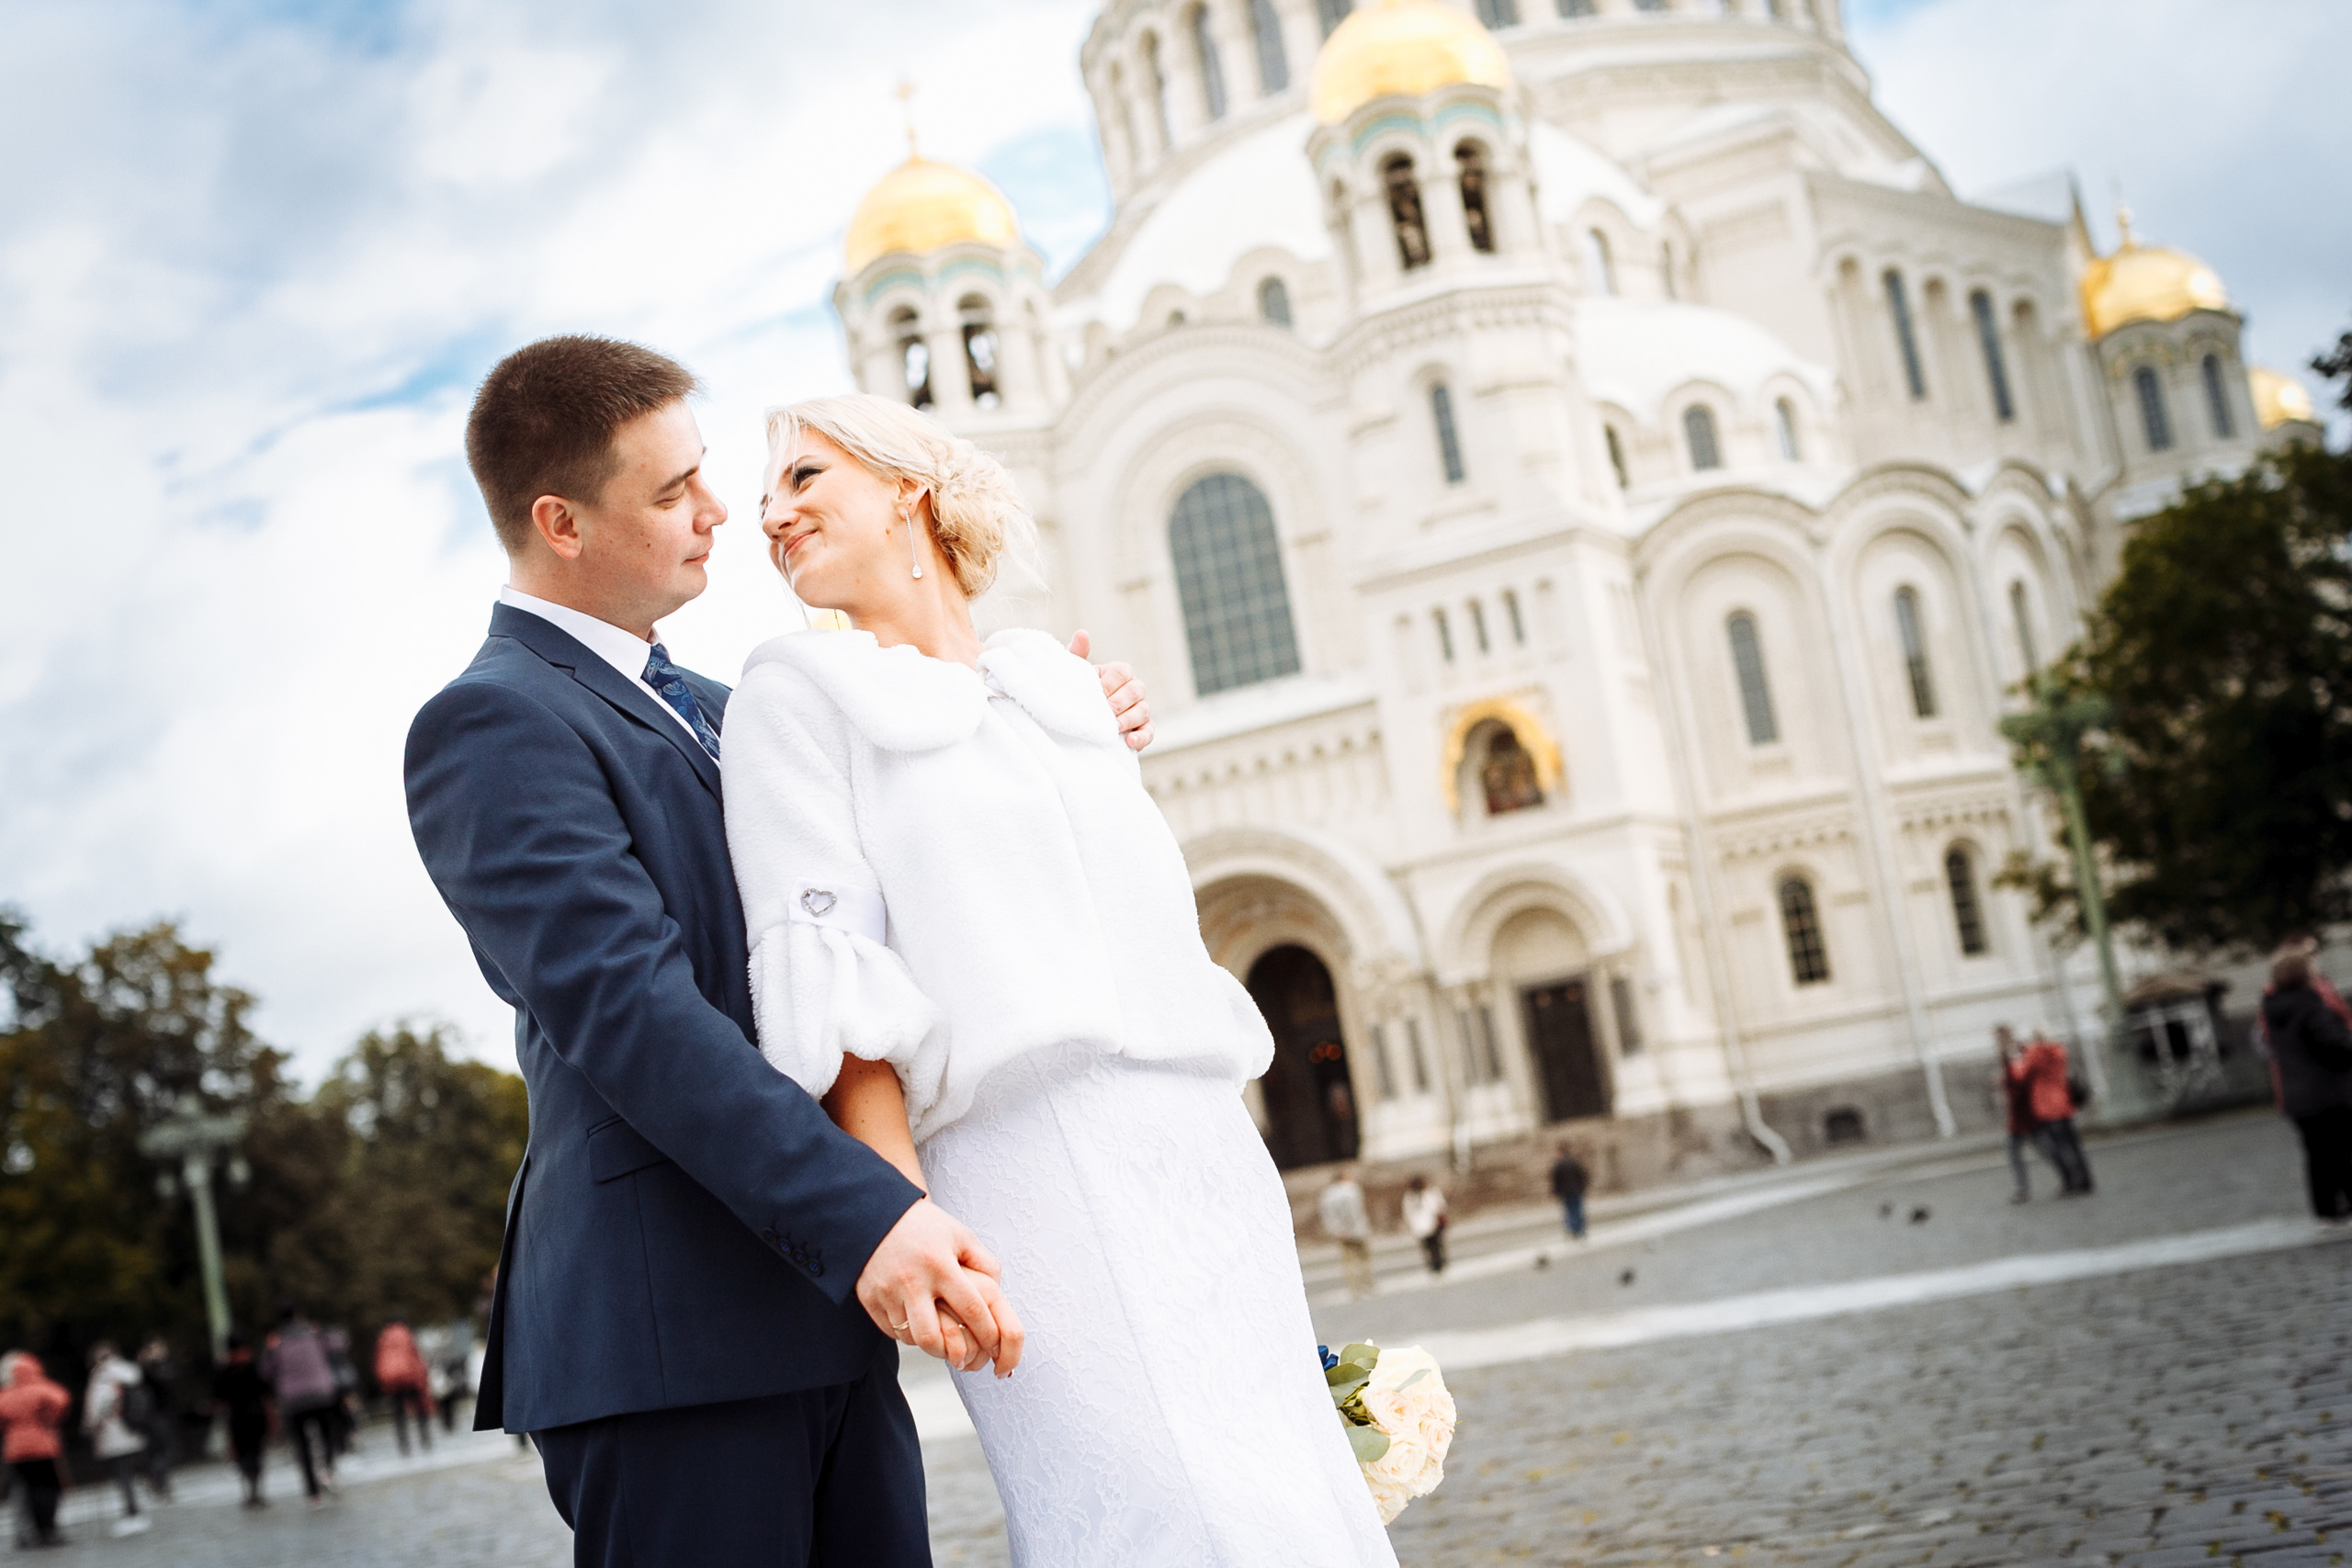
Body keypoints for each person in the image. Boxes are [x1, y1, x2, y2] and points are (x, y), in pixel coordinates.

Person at [404, 338, 1152, 1565]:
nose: (723, 513)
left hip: (821, 1314)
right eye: (672, 491)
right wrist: (870, 1214)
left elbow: (900, 857)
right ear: (562, 521)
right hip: (669, 1342)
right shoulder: (493, 722)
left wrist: (1067, 717)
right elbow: (635, 1017)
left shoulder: (736, 702)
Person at [727, 390, 1396, 1565]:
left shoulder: (1055, 685)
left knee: (1296, 1497)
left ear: (906, 490)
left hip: (1203, 1152)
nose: (770, 515)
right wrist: (897, 1211)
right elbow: (838, 986)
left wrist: (1083, 716)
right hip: (1028, 1167)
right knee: (1156, 1517)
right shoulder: (798, 698)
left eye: (803, 478)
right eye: (766, 493)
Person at [2260, 951, 2352, 1220]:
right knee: (2342, 1151)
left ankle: (2326, 1208)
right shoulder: (2309, 1005)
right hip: (2328, 1092)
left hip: (2297, 1094)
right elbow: (2333, 1044)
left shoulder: (2273, 1007)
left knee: (2318, 1155)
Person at [260, 1307, 341, 1504]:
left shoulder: (276, 1341)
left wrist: (269, 1351)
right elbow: (339, 1343)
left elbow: (265, 1371)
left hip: (293, 1399)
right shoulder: (312, 1334)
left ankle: (313, 1493)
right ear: (298, 1316)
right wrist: (324, 1329)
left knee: (302, 1446)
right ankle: (327, 1469)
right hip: (320, 1393)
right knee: (328, 1433)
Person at [1, 1351, 72, 1547]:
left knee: (28, 1491)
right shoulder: (40, 1388)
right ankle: (48, 1529)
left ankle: (35, 1532)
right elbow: (61, 1399)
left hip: (16, 1449)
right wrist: (49, 1418)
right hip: (42, 1445)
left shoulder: (7, 1393)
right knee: (49, 1489)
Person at [82, 1343, 150, 1536]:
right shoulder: (129, 1372)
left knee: (122, 1475)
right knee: (128, 1472)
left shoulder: (101, 1376)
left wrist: (90, 1425)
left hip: (112, 1432)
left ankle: (132, 1511)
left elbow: (100, 1406)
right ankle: (133, 1509)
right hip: (131, 1429)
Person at [2018, 1029, 2094, 1196]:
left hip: (2047, 1107)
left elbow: (2024, 1073)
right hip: (2063, 1103)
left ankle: (2071, 1181)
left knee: (2059, 1147)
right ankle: (2086, 1180)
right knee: (2075, 1146)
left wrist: (2026, 1050)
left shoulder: (2035, 1053)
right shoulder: (2059, 1051)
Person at [210, 1334, 272, 1508]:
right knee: (257, 1453)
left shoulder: (224, 1368)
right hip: (256, 1414)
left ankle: (249, 1491)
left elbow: (218, 1395)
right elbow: (264, 1388)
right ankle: (257, 1490)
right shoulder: (253, 1364)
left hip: (236, 1417)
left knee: (243, 1454)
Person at [1995, 1026, 2053, 1203]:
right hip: (2020, 1112)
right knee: (2021, 1149)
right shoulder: (2009, 1052)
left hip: (2024, 1111)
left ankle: (2070, 1174)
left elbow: (2019, 1077)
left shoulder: (2013, 1051)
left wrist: (2004, 1081)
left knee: (2044, 1149)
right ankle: (2022, 1188)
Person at [373, 1316, 434, 1457]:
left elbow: (380, 1359)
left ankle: (404, 1445)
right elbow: (415, 1356)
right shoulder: (406, 1333)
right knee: (420, 1410)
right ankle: (425, 1440)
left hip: (393, 1380)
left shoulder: (383, 1336)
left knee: (399, 1414)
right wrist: (421, 1377)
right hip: (410, 1377)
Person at [1319, 1168, 1378, 1300]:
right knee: (1364, 1259)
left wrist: (1337, 1230)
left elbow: (1326, 1215)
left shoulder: (1327, 1195)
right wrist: (1350, 1227)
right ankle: (1368, 1285)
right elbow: (1354, 1212)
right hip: (1357, 1230)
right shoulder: (1351, 1190)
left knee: (1348, 1263)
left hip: (1340, 1233)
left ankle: (1354, 1289)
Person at [134, 1337, 175, 1502]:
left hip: (157, 1415)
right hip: (156, 1416)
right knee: (162, 1451)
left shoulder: (150, 1369)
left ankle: (158, 1481)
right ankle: (156, 1480)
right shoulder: (151, 1369)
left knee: (159, 1451)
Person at [1402, 1175, 1449, 1273]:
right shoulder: (1411, 1197)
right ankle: (1436, 1265)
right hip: (1424, 1226)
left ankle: (1438, 1264)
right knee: (1432, 1246)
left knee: (1434, 1246)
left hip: (1430, 1225)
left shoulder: (1427, 1194)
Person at [1550, 1143, 1590, 1239]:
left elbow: (1556, 1181)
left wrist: (1556, 1193)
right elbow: (1583, 1176)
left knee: (1569, 1211)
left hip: (1566, 1192)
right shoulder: (1575, 1162)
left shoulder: (1558, 1165)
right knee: (1577, 1210)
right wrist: (1582, 1187)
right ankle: (1581, 1230)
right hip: (1576, 1190)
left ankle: (1573, 1230)